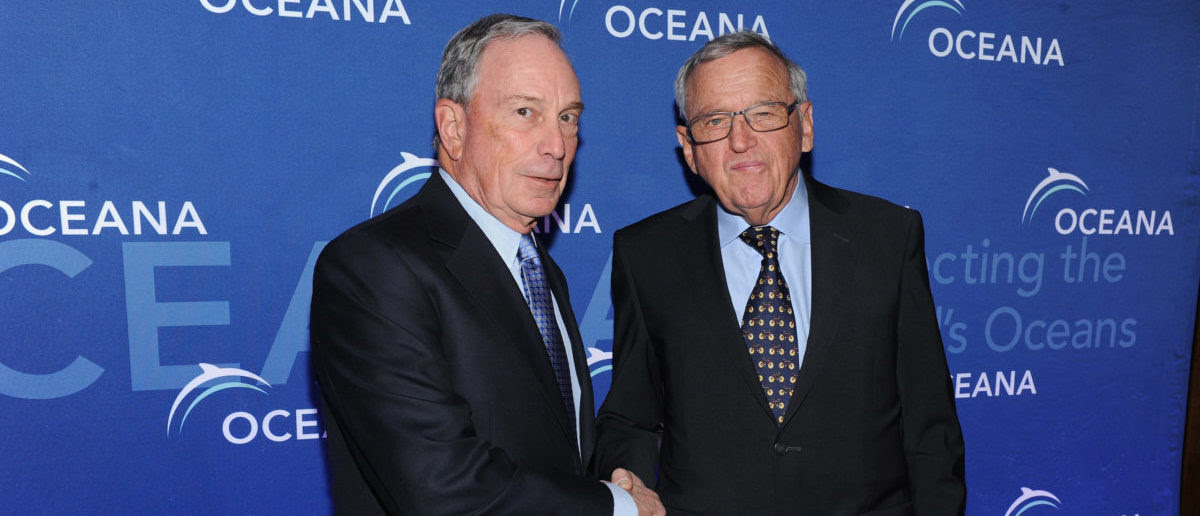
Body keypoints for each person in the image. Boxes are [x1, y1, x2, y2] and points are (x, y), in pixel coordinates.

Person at [593, 31, 966, 515]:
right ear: (688, 147)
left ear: (805, 126)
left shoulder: (887, 238)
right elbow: (631, 418)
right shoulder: (646, 254)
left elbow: (929, 426)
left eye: (763, 113)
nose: (740, 140)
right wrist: (629, 485)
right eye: (714, 120)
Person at [310, 14, 662, 516]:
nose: (557, 145)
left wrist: (612, 477)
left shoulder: (538, 269)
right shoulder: (373, 268)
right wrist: (616, 506)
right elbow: (441, 487)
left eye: (568, 118)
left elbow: (555, 448)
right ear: (453, 127)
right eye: (525, 112)